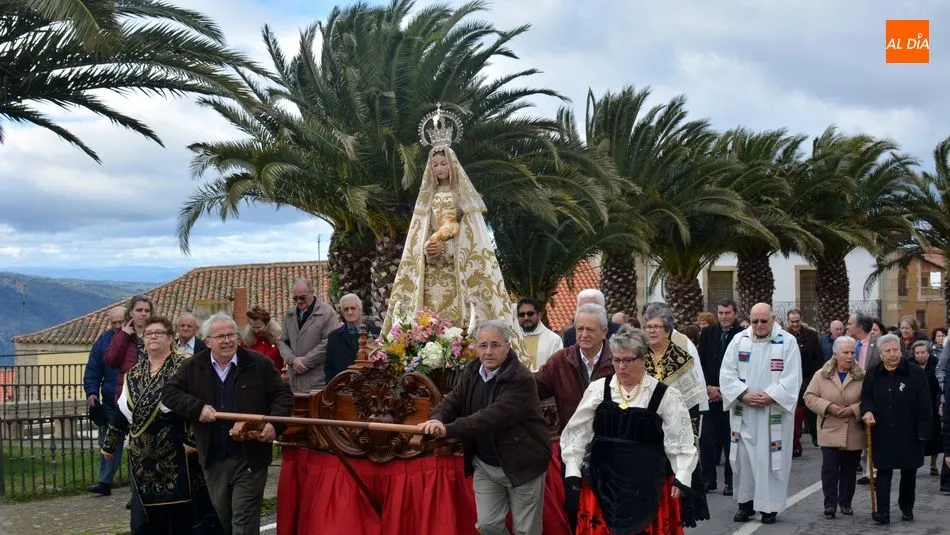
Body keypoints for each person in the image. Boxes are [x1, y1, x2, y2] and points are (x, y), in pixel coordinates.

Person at [386, 106, 518, 343]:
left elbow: (471, 234)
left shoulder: (463, 197)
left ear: (452, 165)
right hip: (431, 272)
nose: (439, 169)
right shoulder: (425, 201)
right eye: (435, 164)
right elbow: (416, 239)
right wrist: (427, 250)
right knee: (428, 322)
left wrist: (445, 246)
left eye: (443, 163)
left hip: (458, 270)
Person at [163, 312, 295, 535]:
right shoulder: (194, 366)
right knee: (225, 518)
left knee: (243, 520)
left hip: (250, 456)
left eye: (231, 335)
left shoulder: (259, 364)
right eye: (220, 336)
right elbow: (169, 393)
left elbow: (283, 396)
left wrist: (275, 424)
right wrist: (197, 408)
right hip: (214, 457)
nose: (227, 341)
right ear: (207, 342)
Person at [560, 326, 698, 535]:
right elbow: (578, 430)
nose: (621, 366)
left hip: (646, 483)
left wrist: (682, 474)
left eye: (628, 360)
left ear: (643, 360)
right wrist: (572, 467)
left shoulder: (664, 394)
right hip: (602, 480)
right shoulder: (599, 389)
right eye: (616, 360)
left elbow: (680, 437)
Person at [420, 320, 551, 535]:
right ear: (476, 348)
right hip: (485, 466)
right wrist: (437, 419)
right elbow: (453, 400)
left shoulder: (522, 380)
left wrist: (449, 429)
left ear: (508, 347)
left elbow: (491, 418)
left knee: (526, 531)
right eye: (482, 345)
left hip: (523, 464)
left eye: (495, 345)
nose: (488, 352)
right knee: (487, 525)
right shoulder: (472, 371)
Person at [101, 316, 221, 534]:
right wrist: (109, 444)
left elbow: (203, 402)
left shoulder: (186, 365)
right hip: (142, 458)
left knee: (181, 520)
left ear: (170, 338)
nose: (153, 337)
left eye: (159, 333)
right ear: (143, 340)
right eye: (148, 334)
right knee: (145, 519)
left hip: (178, 453)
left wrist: (192, 440)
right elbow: (123, 411)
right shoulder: (134, 374)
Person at [534, 303, 614, 531]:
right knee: (573, 507)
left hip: (610, 450)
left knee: (608, 510)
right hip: (573, 452)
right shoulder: (560, 361)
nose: (584, 334)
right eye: (579, 329)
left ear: (604, 332)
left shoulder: (618, 362)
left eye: (590, 329)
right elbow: (533, 388)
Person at [720, 303, 802, 525]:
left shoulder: (787, 342)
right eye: (754, 321)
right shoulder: (739, 341)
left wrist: (771, 396)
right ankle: (745, 505)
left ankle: (769, 508)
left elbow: (793, 377)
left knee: (769, 461)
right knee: (744, 460)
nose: (758, 325)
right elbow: (727, 374)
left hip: (772, 414)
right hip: (745, 412)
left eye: (763, 321)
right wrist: (743, 394)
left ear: (773, 318)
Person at [641, 302, 709, 526]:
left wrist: (689, 439)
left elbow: (693, 401)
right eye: (648, 326)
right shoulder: (639, 357)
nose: (651, 331)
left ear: (667, 330)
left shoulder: (681, 357)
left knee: (673, 497)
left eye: (656, 327)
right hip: (644, 437)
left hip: (674, 434)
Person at [860, 333, 932, 524]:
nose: (893, 354)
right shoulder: (873, 373)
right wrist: (867, 411)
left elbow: (925, 403)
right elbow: (866, 397)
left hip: (909, 431)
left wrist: (924, 431)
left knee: (909, 472)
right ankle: (883, 512)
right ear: (881, 354)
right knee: (883, 472)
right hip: (883, 431)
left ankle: (906, 507)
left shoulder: (915, 372)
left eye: (896, 350)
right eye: (888, 351)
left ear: (901, 351)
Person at [803, 336, 865, 519]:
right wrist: (828, 407)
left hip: (853, 428)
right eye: (845, 352)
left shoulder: (862, 375)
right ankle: (830, 504)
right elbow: (809, 397)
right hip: (829, 426)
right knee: (830, 469)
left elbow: (870, 399)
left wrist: (854, 409)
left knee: (849, 469)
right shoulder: (822, 374)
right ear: (835, 354)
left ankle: (845, 502)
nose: (849, 356)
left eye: (852, 352)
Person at [697, 298, 744, 497]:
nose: (724, 317)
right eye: (721, 313)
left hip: (731, 398)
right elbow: (700, 363)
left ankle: (730, 481)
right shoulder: (708, 333)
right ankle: (708, 479)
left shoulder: (742, 335)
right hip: (709, 397)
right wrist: (708, 387)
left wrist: (726, 390)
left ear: (734, 313)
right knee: (706, 441)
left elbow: (742, 367)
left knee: (729, 441)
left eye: (728, 313)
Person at [83, 306, 126, 496]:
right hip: (110, 401)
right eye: (114, 322)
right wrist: (91, 392)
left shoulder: (137, 340)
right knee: (109, 441)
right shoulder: (103, 341)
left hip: (134, 401)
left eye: (121, 322)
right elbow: (93, 369)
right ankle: (104, 482)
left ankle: (138, 490)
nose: (117, 326)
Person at [277, 277, 339, 393]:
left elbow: (329, 342)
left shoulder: (327, 313)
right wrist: (292, 360)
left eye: (302, 297)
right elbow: (282, 341)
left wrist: (305, 362)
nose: (299, 301)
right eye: (295, 298)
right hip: (294, 381)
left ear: (312, 293)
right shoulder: (290, 314)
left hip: (317, 382)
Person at [786, 309, 823, 456]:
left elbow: (819, 357)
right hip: (791, 380)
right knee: (795, 415)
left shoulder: (811, 336)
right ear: (788, 321)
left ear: (801, 320)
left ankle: (815, 435)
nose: (795, 324)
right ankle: (795, 443)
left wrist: (812, 377)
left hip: (808, 378)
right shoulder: (784, 336)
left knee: (811, 412)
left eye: (797, 321)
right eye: (792, 322)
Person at [105, 294, 155, 399]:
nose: (143, 313)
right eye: (139, 310)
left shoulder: (157, 334)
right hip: (127, 393)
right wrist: (123, 336)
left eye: (147, 311)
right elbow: (111, 361)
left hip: (152, 393)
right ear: (131, 312)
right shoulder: (121, 335)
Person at [325, 293, 380, 382]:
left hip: (369, 389)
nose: (349, 312)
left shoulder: (376, 333)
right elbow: (329, 368)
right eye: (346, 309)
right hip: (342, 389)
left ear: (360, 310)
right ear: (342, 313)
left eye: (353, 308)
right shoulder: (333, 337)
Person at [909, 340, 941, 476]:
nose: (920, 356)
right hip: (914, 405)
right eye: (917, 353)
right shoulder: (909, 364)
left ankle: (933, 463)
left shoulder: (936, 363)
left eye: (923, 353)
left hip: (932, 403)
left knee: (934, 436)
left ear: (929, 353)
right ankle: (913, 462)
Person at [516, 297, 563, 371]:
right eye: (522, 314)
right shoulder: (513, 339)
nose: (526, 317)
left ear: (539, 315)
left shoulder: (554, 340)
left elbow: (557, 367)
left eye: (530, 314)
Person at [242, 306, 283, 371]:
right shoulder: (246, 341)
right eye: (253, 327)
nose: (256, 331)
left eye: (258, 327)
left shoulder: (279, 338)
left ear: (267, 324)